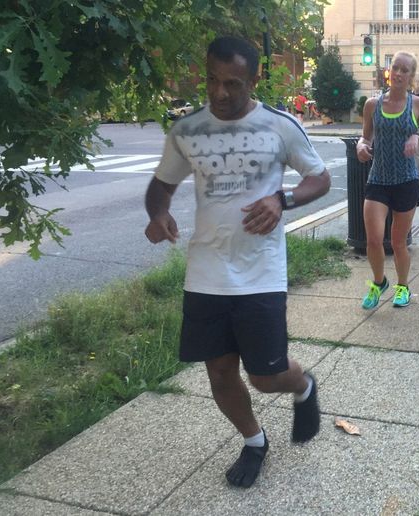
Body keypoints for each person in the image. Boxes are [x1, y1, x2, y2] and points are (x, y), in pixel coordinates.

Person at [144, 36, 330, 489]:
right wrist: (158, 214)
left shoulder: (278, 126)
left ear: (255, 78)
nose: (220, 93)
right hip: (206, 271)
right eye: (212, 80)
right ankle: (253, 440)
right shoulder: (186, 131)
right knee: (220, 372)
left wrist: (281, 199)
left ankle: (303, 385)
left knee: (267, 377)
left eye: (232, 83)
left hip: (261, 271)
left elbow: (319, 178)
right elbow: (161, 185)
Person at [356, 51, 419, 309]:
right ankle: (378, 282)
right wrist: (361, 146)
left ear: (411, 77)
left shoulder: (418, 105)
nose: (399, 74)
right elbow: (365, 137)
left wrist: (418, 137)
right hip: (378, 179)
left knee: (398, 242)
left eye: (405, 70)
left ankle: (402, 286)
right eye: (396, 68)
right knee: (373, 239)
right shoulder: (372, 105)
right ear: (389, 71)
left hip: (406, 180)